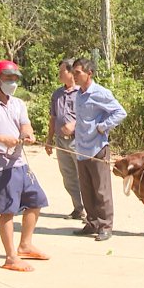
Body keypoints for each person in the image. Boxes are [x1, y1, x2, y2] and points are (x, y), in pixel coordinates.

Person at [0, 60, 50, 272]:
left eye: (15, 79)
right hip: (0, 164)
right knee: (8, 210)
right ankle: (11, 257)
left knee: (36, 200)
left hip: (20, 161)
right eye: (8, 78)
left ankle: (25, 244)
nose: (12, 83)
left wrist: (27, 134)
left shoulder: (18, 103)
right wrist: (2, 139)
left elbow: (25, 124)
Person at [71, 58, 127, 242]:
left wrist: (103, 126)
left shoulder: (101, 93)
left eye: (78, 72)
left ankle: (105, 226)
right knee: (86, 189)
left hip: (97, 148)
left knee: (101, 190)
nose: (74, 76)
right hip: (81, 148)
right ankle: (92, 223)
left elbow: (120, 112)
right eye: (74, 72)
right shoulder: (78, 94)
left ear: (90, 73)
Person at [45, 58, 85, 221]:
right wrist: (49, 139)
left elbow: (88, 116)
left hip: (78, 141)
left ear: (70, 73)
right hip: (61, 141)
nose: (60, 74)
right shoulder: (57, 94)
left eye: (62, 71)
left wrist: (74, 125)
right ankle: (78, 208)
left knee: (83, 176)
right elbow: (53, 118)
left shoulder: (82, 93)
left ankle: (90, 212)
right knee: (68, 176)